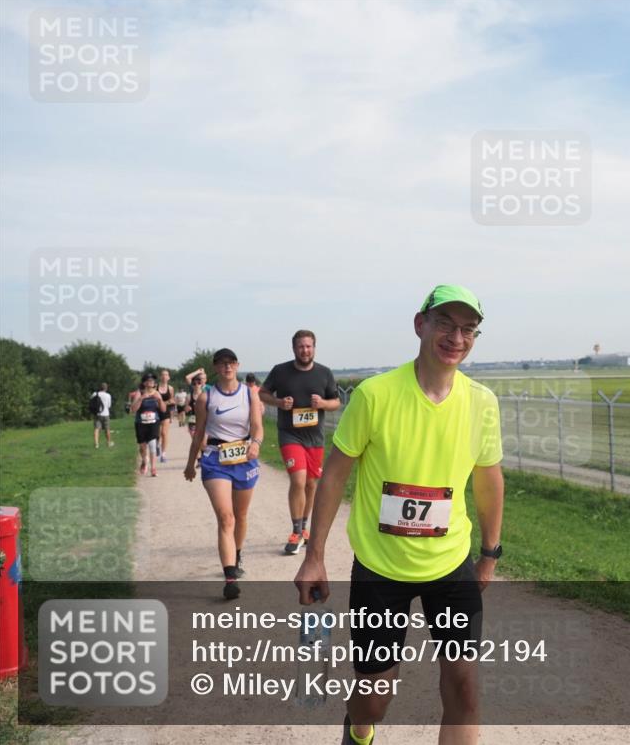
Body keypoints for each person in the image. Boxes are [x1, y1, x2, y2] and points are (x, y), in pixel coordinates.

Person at [294, 285, 504, 745]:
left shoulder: (482, 403)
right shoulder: (375, 395)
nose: (456, 337)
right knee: (375, 695)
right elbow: (332, 478)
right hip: (381, 570)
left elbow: (489, 481)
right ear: (420, 324)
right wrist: (315, 555)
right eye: (446, 324)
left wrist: (489, 553)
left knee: (465, 687)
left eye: (468, 329)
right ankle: (359, 727)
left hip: (451, 567)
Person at [184, 349, 263, 600]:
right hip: (215, 459)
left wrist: (256, 444)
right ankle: (230, 577)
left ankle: (236, 555)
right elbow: (198, 433)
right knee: (226, 517)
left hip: (243, 458)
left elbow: (258, 429)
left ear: (237, 365)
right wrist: (190, 463)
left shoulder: (249, 394)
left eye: (231, 363)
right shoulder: (206, 397)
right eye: (222, 364)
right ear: (216, 368)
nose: (227, 367)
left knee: (240, 515)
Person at [259, 330, 341, 555]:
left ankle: (305, 529)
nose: (305, 350)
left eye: (308, 346)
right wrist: (278, 402)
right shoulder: (280, 371)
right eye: (300, 347)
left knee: (311, 484)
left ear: (314, 347)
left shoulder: (324, 373)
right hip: (290, 435)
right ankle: (296, 531)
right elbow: (262, 394)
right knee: (298, 480)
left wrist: (323, 403)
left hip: (314, 438)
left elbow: (336, 402)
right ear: (293, 348)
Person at [132, 372, 165, 476]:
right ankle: (144, 461)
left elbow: (163, 410)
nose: (151, 382)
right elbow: (133, 410)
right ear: (144, 383)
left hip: (153, 422)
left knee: (152, 444)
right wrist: (141, 398)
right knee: (142, 447)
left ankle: (153, 468)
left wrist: (159, 400)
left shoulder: (157, 393)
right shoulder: (139, 393)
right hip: (141, 423)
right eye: (149, 380)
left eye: (152, 380)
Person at [157, 369, 176, 463]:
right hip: (156, 412)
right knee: (157, 433)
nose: (164, 376)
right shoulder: (155, 387)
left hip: (166, 412)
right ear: (160, 377)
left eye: (166, 375)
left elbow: (172, 401)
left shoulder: (171, 388)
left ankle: (163, 454)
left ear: (168, 377)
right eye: (163, 375)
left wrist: (165, 403)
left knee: (164, 433)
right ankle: (157, 445)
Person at [91, 382, 113, 449]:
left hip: (97, 414)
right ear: (106, 388)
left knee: (96, 429)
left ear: (100, 387)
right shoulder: (108, 395)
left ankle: (96, 444)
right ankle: (109, 443)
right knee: (107, 429)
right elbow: (109, 406)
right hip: (106, 414)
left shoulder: (95, 394)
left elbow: (91, 402)